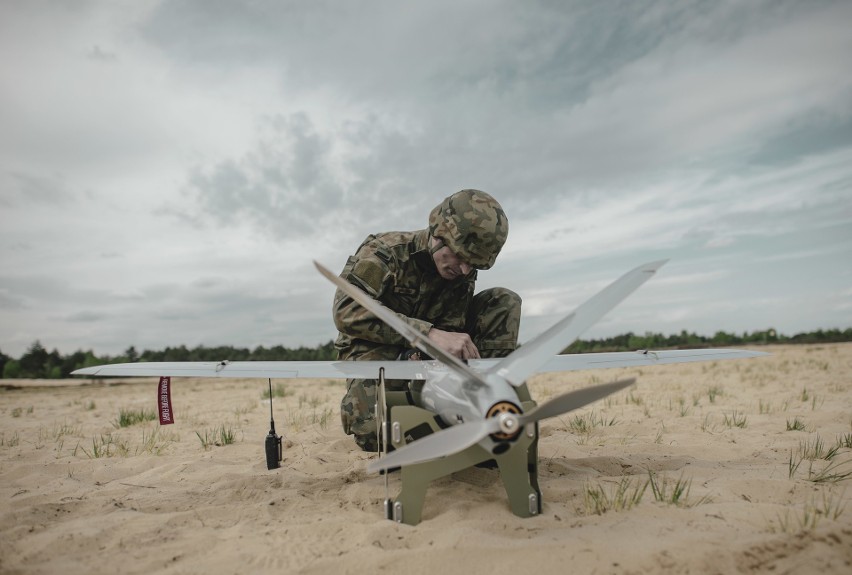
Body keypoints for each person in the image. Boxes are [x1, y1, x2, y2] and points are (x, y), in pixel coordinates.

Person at [332, 189, 522, 451]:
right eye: (461, 256)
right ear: (438, 235)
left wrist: (437, 356)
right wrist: (427, 335)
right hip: (377, 349)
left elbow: (452, 327)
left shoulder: (462, 270)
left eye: (474, 264)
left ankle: (488, 404)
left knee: (503, 301)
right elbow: (346, 309)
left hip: (430, 356)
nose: (465, 270)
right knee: (371, 429)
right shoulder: (385, 252)